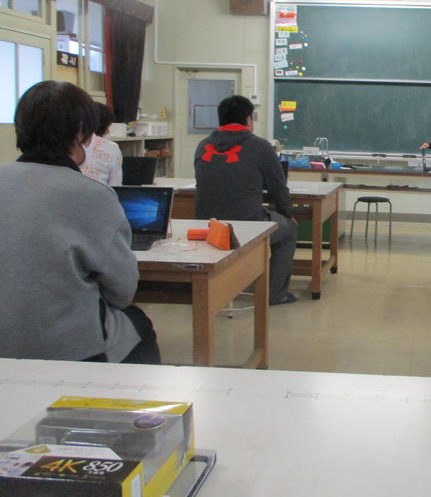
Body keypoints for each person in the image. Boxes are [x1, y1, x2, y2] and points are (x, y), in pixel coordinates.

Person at [0, 81, 160, 364]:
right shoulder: (93, 195)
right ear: (81, 131)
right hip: (66, 348)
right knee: (138, 323)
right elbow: (122, 292)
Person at [194, 95, 298, 305]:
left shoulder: (203, 145)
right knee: (289, 230)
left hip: (209, 227)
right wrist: (288, 214)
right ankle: (275, 294)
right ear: (248, 119)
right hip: (247, 227)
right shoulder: (260, 146)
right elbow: (279, 188)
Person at [80, 100, 123, 186]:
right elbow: (115, 184)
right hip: (103, 193)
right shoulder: (111, 147)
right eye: (108, 126)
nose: (108, 131)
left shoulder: (68, 143)